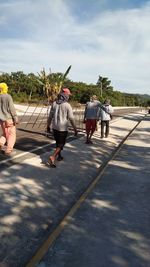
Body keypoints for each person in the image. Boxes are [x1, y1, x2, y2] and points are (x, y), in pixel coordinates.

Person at [47, 88, 78, 167]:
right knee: (61, 145)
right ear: (66, 96)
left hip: (55, 127)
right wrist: (75, 129)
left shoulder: (54, 103)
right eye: (68, 95)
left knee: (58, 143)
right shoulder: (67, 105)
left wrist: (48, 126)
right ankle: (53, 156)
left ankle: (59, 156)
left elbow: (50, 116)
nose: (69, 96)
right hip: (62, 128)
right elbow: (71, 118)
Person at [0, 82, 18, 155]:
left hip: (1, 120)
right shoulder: (8, 96)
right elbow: (12, 109)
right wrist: (15, 118)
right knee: (11, 135)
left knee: (5, 133)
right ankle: (9, 150)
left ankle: (0, 143)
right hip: (9, 119)